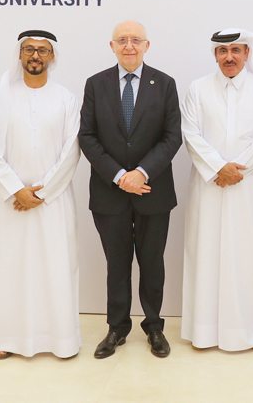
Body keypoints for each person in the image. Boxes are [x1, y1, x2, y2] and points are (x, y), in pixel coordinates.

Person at [79, 21, 182, 359]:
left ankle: (154, 327)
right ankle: (116, 328)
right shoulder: (96, 84)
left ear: (146, 45)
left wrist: (141, 172)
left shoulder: (164, 84)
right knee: (117, 264)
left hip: (153, 190)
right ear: (112, 46)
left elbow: (172, 137)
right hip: (110, 192)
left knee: (153, 263)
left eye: (135, 40)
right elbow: (88, 137)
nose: (129, 46)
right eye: (122, 40)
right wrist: (121, 175)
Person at [0, 30, 82, 359]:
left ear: (52, 57)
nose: (35, 55)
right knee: (9, 268)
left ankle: (59, 341)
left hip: (53, 202)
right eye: (29, 50)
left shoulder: (66, 99)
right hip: (10, 203)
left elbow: (72, 150)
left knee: (54, 268)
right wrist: (16, 190)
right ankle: (4, 339)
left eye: (42, 50)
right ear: (19, 55)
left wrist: (43, 191)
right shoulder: (1, 97)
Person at [181, 28, 253, 352]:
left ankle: (252, 332)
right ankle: (205, 332)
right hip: (210, 187)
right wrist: (217, 168)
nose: (229, 57)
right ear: (215, 55)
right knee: (207, 254)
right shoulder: (198, 89)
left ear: (247, 53)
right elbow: (191, 134)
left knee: (248, 259)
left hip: (249, 189)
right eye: (223, 51)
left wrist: (236, 169)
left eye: (236, 51)